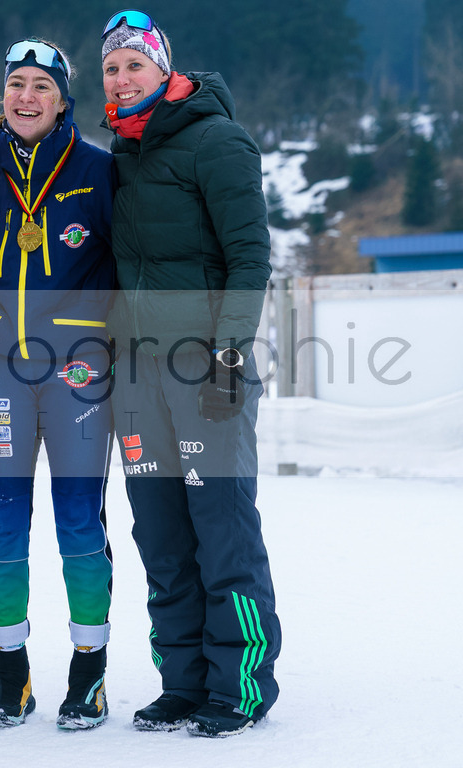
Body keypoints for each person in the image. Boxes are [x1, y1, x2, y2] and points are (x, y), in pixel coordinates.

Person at [99, 10, 282, 738]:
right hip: (138, 375)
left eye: (133, 65)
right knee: (163, 538)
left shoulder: (218, 140)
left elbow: (251, 257)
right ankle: (181, 681)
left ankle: (241, 683)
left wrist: (231, 353)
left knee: (222, 531)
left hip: (206, 369)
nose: (122, 77)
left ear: (163, 68)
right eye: (111, 68)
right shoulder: (121, 152)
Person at [0, 38, 116, 729]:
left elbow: (121, 268)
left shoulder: (101, 171)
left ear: (62, 99)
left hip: (78, 374)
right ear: (4, 95)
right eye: (17, 84)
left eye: (41, 87)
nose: (27, 97)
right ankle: (10, 672)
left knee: (80, 524)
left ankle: (89, 672)